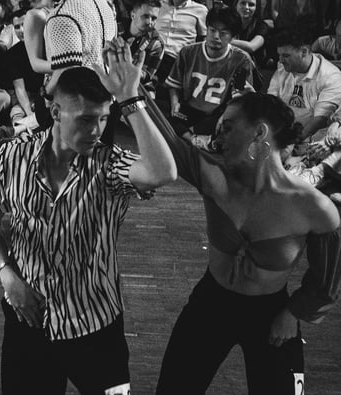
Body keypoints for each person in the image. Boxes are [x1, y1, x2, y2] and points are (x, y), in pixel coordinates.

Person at [0, 53, 178, 395]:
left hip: (95, 326)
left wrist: (130, 99)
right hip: (29, 319)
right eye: (86, 119)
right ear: (56, 113)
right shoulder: (13, 155)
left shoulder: (109, 165)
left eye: (103, 119)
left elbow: (163, 172)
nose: (96, 130)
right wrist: (6, 273)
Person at [143, 88, 341, 393]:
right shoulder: (213, 173)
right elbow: (167, 140)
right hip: (210, 303)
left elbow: (326, 281)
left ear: (259, 132)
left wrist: (293, 314)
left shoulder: (314, 207)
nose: (218, 138)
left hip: (272, 315)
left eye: (229, 127)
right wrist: (132, 93)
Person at [19, 0, 117, 93]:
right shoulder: (105, 4)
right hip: (107, 99)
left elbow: (67, 71)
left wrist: (47, 95)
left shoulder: (61, 15)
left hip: (76, 104)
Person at [163, 8, 255, 141]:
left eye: (223, 33)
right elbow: (174, 85)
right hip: (189, 110)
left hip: (218, 113)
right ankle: (194, 139)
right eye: (212, 30)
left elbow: (239, 97)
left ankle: (189, 136)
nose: (216, 36)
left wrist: (224, 117)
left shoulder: (241, 59)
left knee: (234, 124)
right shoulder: (187, 52)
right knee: (160, 114)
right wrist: (175, 103)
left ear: (233, 37)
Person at [267, 30, 341, 142]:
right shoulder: (283, 67)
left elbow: (320, 120)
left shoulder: (330, 76)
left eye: (286, 55)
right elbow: (271, 101)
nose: (281, 60)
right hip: (282, 132)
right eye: (279, 55)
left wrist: (291, 141)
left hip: (312, 140)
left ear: (304, 52)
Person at [153, 0, 209, 78]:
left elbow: (203, 40)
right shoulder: (157, 6)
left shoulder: (200, 10)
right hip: (153, 57)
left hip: (179, 61)